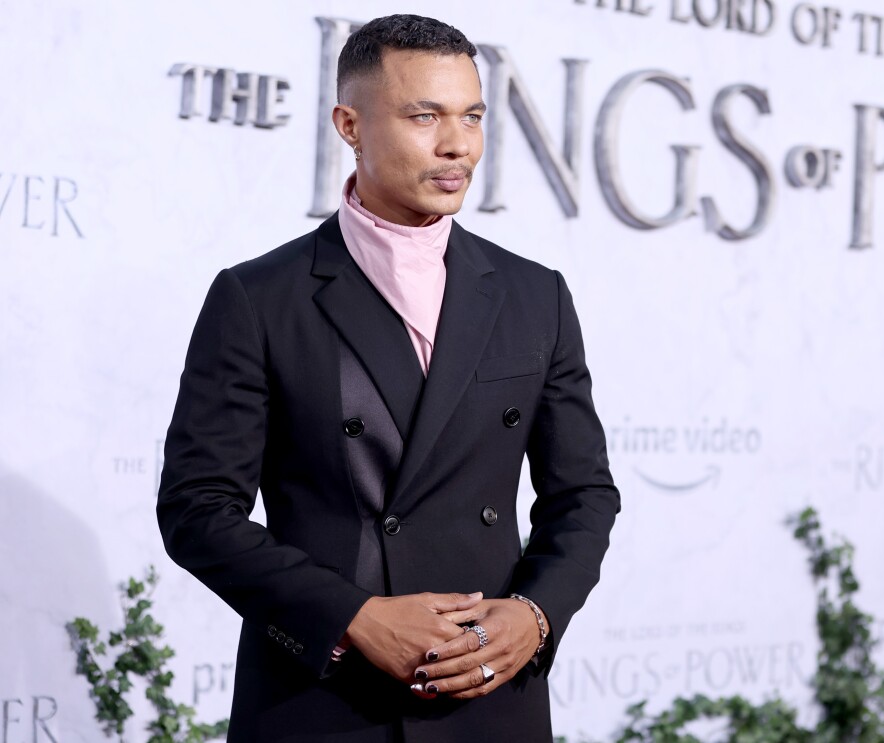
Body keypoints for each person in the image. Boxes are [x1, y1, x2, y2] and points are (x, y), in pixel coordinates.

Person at [157, 14, 620, 742]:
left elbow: (585, 493)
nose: (456, 144)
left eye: (471, 115)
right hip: (323, 700)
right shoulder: (260, 297)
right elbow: (197, 510)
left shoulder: (537, 295)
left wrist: (535, 615)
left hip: (488, 696)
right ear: (349, 122)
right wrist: (352, 616)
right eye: (424, 115)